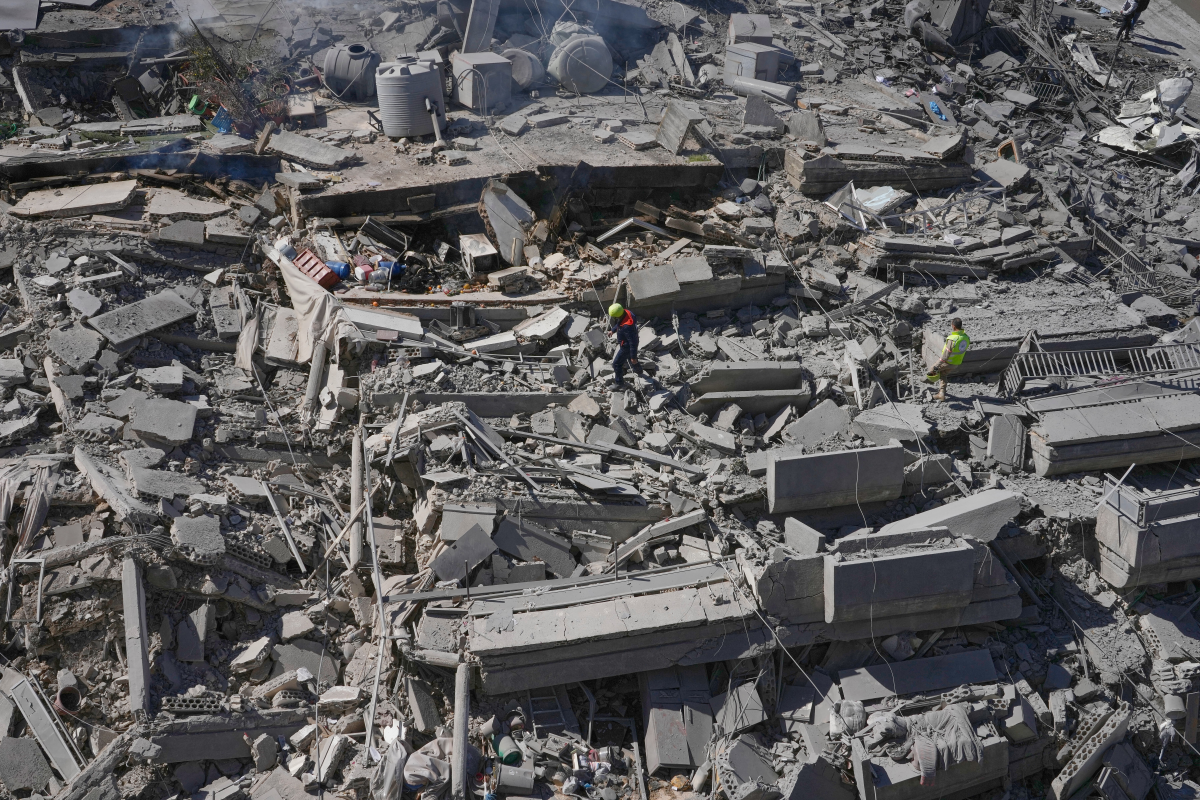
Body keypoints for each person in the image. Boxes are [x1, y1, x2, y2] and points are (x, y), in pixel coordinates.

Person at [926, 317, 970, 401]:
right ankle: (941, 394)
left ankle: (926, 381)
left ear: (953, 327)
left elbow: (945, 356)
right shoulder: (966, 337)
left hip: (948, 362)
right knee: (943, 374)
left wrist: (936, 366)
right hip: (956, 363)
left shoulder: (952, 339)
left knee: (932, 369)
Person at [607, 303, 643, 388]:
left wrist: (633, 356)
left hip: (626, 346)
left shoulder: (627, 327)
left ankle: (619, 383)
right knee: (630, 358)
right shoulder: (627, 313)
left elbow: (633, 343)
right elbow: (620, 323)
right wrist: (613, 330)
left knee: (616, 364)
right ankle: (639, 370)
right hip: (627, 343)